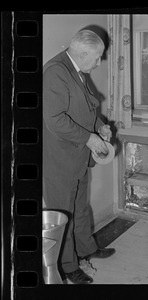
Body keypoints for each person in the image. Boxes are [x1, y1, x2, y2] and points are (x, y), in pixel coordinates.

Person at [43, 29, 115, 284]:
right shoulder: (55, 72)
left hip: (78, 156)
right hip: (60, 160)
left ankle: (87, 249)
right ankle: (67, 266)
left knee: (80, 208)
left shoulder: (75, 69)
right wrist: (90, 138)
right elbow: (55, 120)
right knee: (62, 216)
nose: (98, 63)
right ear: (83, 54)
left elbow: (82, 108)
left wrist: (100, 126)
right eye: (97, 58)